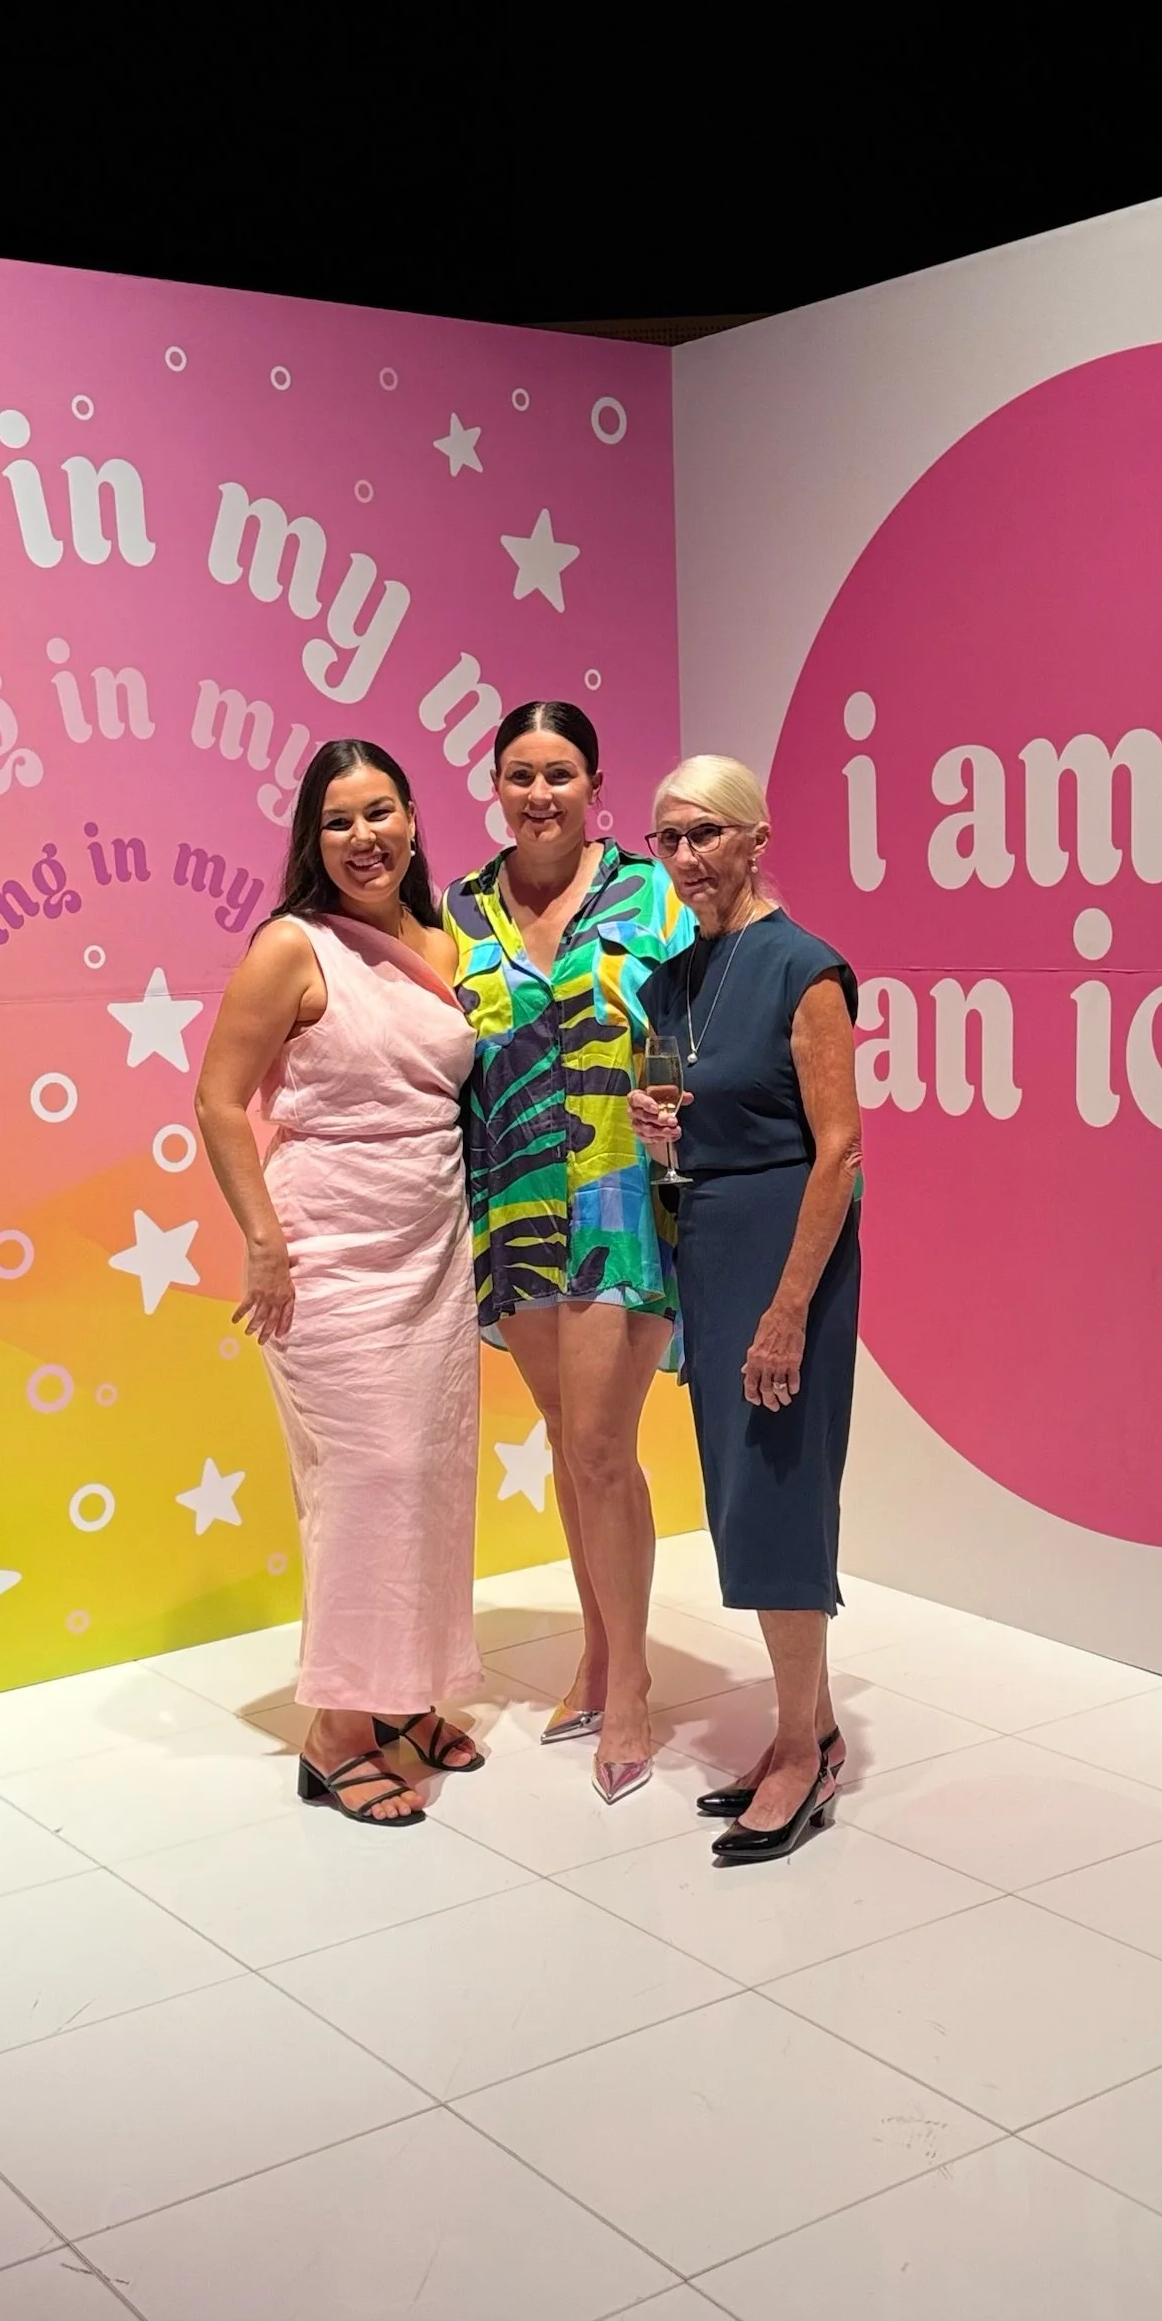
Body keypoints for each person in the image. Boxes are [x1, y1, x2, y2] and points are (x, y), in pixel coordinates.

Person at [195, 739, 486, 1825]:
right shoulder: (292, 945)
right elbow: (220, 1101)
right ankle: (336, 1733)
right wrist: (264, 1242)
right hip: (328, 1254)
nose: (364, 838)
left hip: (432, 1249)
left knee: (430, 1477)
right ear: (312, 841)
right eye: (338, 822)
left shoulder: (444, 943)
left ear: (413, 817)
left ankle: (405, 1698)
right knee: (368, 1481)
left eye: (381, 813)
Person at [444, 701, 694, 1803]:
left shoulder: (653, 894)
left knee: (601, 1447)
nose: (537, 793)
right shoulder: (455, 907)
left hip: (618, 1198)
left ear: (595, 783)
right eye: (517, 774)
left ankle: (631, 1680)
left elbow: (716, 1013)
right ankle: (596, 1649)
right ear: (493, 784)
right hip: (512, 1200)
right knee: (562, 1437)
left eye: (558, 773)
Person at [631, 755, 862, 1866]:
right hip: (713, 1253)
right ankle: (805, 1725)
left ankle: (802, 1755)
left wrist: (786, 1312)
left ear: (757, 838)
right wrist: (657, 1133)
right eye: (666, 839)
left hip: (786, 1258)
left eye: (704, 836)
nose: (683, 859)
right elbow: (689, 1135)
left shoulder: (803, 969)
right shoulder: (673, 981)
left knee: (777, 1492)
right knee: (739, 1490)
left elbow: (841, 1153)